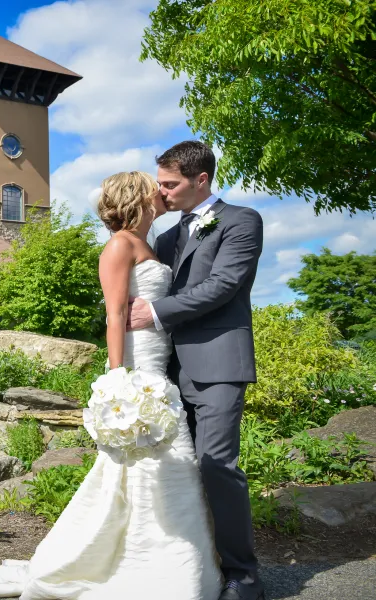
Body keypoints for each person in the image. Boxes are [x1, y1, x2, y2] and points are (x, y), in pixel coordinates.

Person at [0, 169, 223, 599]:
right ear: (139, 197)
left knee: (162, 468)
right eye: (156, 188)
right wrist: (117, 378)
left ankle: (163, 564)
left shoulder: (153, 243)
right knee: (150, 466)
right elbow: (113, 314)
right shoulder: (118, 245)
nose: (162, 193)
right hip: (137, 371)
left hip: (160, 367)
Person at [128, 141, 264, 600]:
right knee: (174, 468)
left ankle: (244, 576)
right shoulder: (165, 239)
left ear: (200, 180)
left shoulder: (241, 220)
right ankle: (191, 566)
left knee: (217, 465)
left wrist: (155, 313)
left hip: (219, 364)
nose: (161, 193)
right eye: (159, 184)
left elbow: (224, 285)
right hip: (165, 370)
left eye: (170, 184)